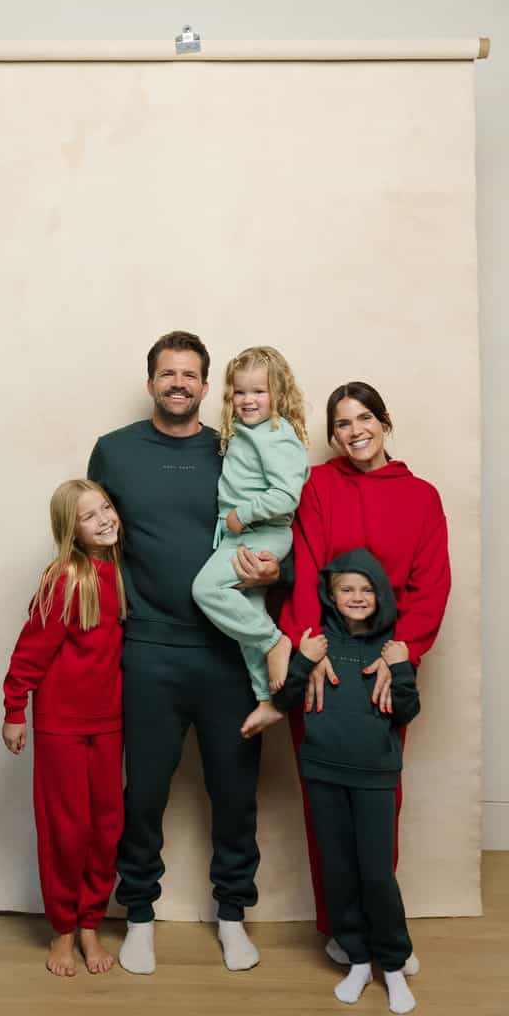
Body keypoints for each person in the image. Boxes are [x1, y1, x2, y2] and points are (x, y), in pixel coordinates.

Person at [240, 381, 450, 972]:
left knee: (381, 805)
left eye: (364, 419)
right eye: (342, 423)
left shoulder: (423, 497)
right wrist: (311, 647)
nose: (354, 431)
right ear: (331, 435)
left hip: (387, 668)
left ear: (384, 423)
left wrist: (400, 652)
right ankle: (340, 927)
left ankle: (384, 933)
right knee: (324, 807)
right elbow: (305, 564)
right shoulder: (321, 486)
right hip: (325, 666)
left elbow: (432, 585)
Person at [88, 331, 276, 975]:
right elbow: (93, 545)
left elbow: (279, 525)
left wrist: (271, 575)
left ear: (205, 385)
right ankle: (138, 915)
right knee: (143, 793)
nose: (178, 383)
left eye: (190, 374)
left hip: (229, 654)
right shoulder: (113, 453)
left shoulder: (237, 447)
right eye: (167, 373)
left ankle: (232, 916)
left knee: (235, 793)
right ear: (151, 383)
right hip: (148, 651)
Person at [275, 548, 419, 1015]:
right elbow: (290, 700)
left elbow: (407, 710)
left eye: (366, 589)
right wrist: (302, 659)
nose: (357, 597)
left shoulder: (393, 647)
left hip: (376, 776)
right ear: (331, 595)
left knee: (377, 874)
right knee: (338, 871)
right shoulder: (316, 643)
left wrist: (399, 667)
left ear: (380, 595)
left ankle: (393, 966)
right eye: (346, 589)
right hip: (322, 772)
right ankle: (358, 959)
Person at [1, 479, 127, 977]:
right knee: (67, 830)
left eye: (107, 508)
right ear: (70, 530)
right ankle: (64, 929)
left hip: (109, 722)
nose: (104, 520)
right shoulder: (66, 577)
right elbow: (31, 648)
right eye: (89, 516)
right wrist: (14, 710)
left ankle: (92, 922)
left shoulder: (119, 573)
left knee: (106, 828)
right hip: (61, 726)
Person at [191, 346, 309, 731]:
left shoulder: (276, 434)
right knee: (248, 620)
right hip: (242, 535)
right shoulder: (249, 431)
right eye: (240, 392)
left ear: (277, 394)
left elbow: (286, 495)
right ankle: (267, 699)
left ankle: (275, 641)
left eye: (258, 392)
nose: (247, 400)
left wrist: (242, 514)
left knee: (207, 590)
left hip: (261, 534)